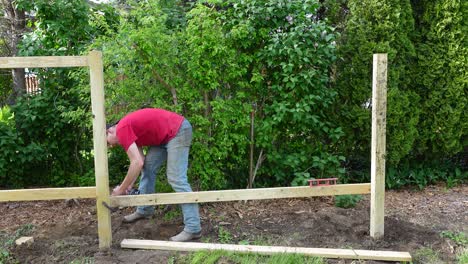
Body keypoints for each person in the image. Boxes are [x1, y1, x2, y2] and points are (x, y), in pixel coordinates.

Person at [106, 108, 201, 242]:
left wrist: (120, 190)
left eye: (109, 143)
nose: (112, 146)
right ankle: (145, 209)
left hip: (178, 131)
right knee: (148, 168)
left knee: (176, 178)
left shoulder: (122, 129)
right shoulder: (126, 128)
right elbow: (141, 161)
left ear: (109, 131)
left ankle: (193, 228)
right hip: (164, 138)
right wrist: (129, 185)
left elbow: (136, 162)